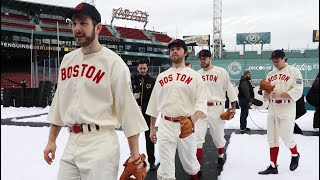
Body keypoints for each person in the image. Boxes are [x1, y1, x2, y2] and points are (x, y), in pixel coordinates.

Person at [43, 3, 148, 180]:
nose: (77, 28)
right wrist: (52, 140)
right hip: (72, 142)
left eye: (83, 23)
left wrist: (135, 155)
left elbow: (127, 110)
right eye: (74, 23)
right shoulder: (68, 60)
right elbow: (59, 103)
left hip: (100, 142)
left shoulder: (114, 63)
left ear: (98, 27)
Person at [146, 39, 207, 180]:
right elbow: (154, 103)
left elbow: (201, 101)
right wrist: (152, 128)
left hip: (186, 125)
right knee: (166, 169)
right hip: (166, 124)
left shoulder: (195, 76)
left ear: (185, 52)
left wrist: (193, 120)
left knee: (190, 164)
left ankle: (194, 176)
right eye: (172, 48)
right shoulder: (162, 76)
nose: (174, 51)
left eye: (178, 48)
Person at [259, 49, 303, 175]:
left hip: (287, 107)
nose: (275, 63)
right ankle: (273, 165)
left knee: (286, 136)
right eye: (273, 61)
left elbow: (298, 91)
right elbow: (265, 94)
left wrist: (281, 94)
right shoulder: (270, 74)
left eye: (277, 60)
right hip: (273, 107)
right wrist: (266, 95)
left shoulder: (294, 72)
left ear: (284, 58)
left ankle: (295, 154)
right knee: (272, 138)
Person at [195, 49, 237, 175]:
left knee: (218, 137)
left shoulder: (221, 72)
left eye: (205, 58)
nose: (202, 60)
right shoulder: (197, 74)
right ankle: (197, 168)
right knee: (198, 139)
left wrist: (233, 107)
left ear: (210, 58)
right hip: (201, 109)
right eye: (200, 58)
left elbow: (230, 90)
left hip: (217, 109)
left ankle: (220, 156)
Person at [131, 59, 157, 171]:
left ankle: (152, 162)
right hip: (135, 114)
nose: (142, 70)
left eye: (144, 68)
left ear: (147, 68)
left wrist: (144, 107)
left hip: (146, 114)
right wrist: (135, 103)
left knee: (149, 138)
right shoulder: (132, 80)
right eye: (140, 68)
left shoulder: (152, 81)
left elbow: (154, 99)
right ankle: (134, 161)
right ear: (137, 68)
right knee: (133, 139)